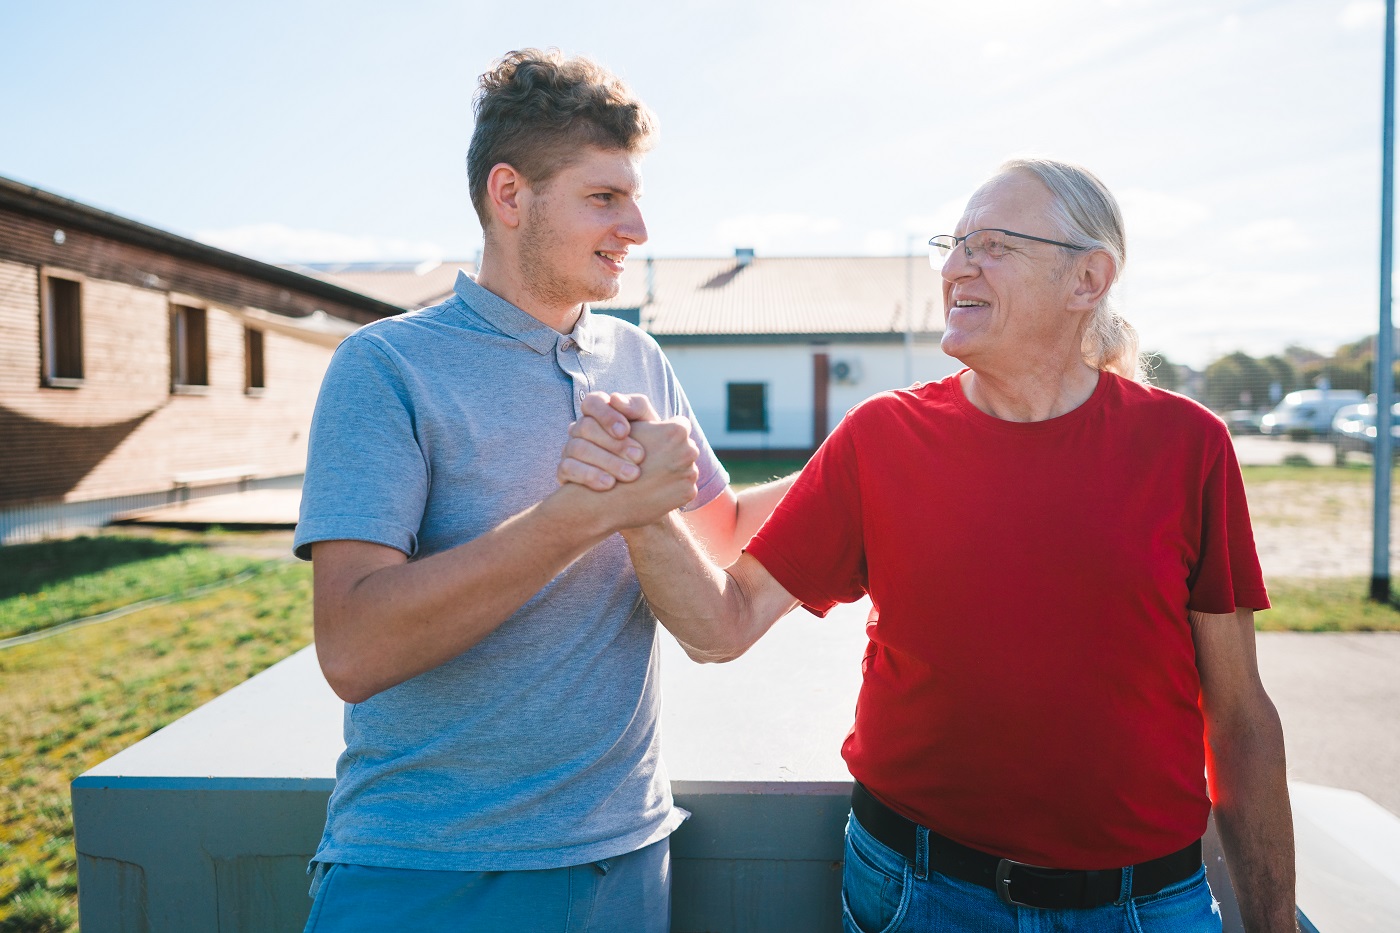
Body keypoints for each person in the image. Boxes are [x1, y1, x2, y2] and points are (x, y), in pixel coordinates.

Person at [564, 158, 1296, 931]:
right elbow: (724, 622)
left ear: (1089, 278)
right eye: (955, 243)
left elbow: (1240, 715)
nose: (955, 267)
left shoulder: (1187, 446)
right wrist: (639, 510)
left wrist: (1275, 921)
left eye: (994, 245)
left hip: (1148, 905)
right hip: (919, 895)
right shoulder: (883, 436)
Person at [293, 48, 792, 932]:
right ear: (510, 195)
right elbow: (353, 649)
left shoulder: (639, 359)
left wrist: (872, 449)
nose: (635, 227)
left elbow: (716, 536)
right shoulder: (387, 366)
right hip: (424, 871)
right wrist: (578, 519)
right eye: (604, 198)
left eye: (636, 199)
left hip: (621, 862)